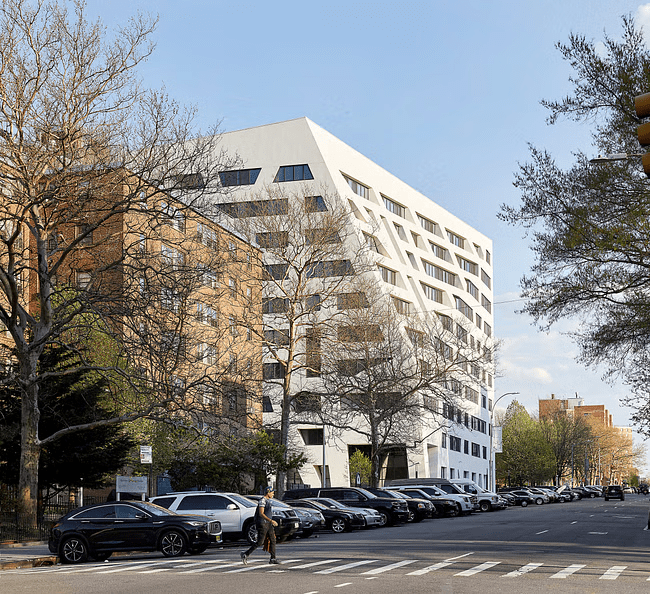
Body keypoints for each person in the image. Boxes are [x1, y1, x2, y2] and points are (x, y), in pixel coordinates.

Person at [241, 486, 281, 565]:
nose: (273, 494)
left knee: (273, 540)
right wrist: (271, 520)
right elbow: (261, 513)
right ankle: (245, 554)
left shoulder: (268, 501)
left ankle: (273, 558)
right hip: (263, 523)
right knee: (260, 542)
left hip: (268, 524)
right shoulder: (262, 501)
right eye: (272, 492)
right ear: (268, 492)